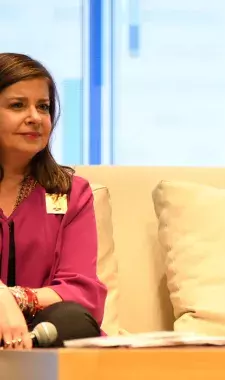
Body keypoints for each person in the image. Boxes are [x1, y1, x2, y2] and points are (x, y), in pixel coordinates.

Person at [0, 53, 107, 349]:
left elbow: (80, 289)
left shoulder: (72, 193)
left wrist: (15, 298)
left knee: (72, 319)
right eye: (17, 105)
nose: (34, 117)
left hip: (45, 331)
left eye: (43, 107)